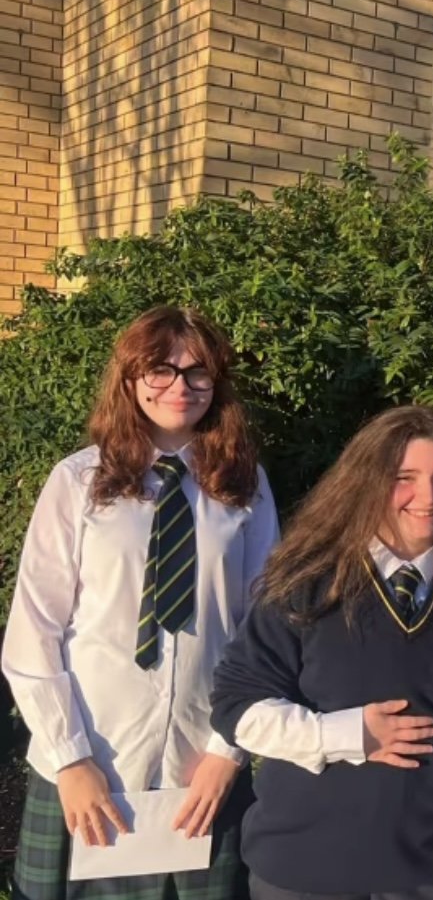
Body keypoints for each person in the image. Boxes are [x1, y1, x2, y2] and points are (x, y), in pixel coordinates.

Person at [3, 305, 279, 900]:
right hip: (92, 770)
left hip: (201, 777)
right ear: (130, 379)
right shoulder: (78, 481)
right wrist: (70, 758)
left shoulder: (244, 485)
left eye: (197, 372)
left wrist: (228, 753)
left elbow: (265, 630)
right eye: (160, 369)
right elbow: (33, 635)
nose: (180, 386)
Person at [209, 406, 433, 900]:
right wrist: (349, 734)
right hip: (304, 868)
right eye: (404, 478)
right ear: (368, 482)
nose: (428, 497)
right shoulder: (307, 581)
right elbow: (236, 706)